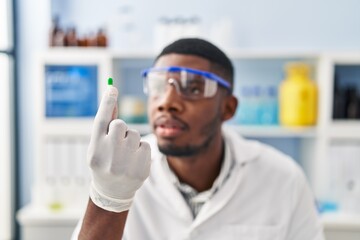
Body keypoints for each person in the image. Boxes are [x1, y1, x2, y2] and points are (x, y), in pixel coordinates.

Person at [72, 38, 324, 240]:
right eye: (158, 86)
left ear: (228, 108)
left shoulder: (284, 179)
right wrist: (108, 197)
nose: (167, 102)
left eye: (193, 88)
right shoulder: (117, 172)